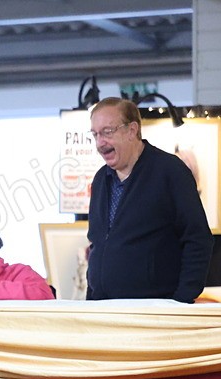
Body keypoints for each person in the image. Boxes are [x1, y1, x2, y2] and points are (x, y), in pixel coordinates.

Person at [85, 97, 212, 303]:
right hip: (105, 309)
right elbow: (97, 244)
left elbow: (198, 239)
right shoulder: (101, 180)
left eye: (107, 132)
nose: (100, 143)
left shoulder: (170, 172)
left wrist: (182, 301)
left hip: (155, 311)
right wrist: (91, 298)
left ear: (132, 130)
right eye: (95, 134)